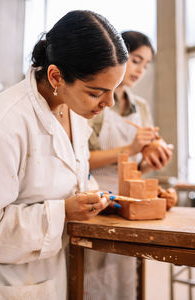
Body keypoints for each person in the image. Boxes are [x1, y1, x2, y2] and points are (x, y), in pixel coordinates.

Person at [0, 10, 128, 300]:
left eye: (113, 91)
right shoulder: (5, 123)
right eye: (96, 93)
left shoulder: (75, 110)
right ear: (56, 75)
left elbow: (73, 175)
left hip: (54, 275)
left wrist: (98, 198)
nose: (108, 103)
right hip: (9, 284)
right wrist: (63, 212)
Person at [85, 31, 172, 300]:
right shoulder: (94, 99)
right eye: (135, 60)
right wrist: (130, 149)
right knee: (93, 277)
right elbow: (79, 158)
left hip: (129, 203)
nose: (140, 70)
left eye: (146, 65)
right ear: (118, 57)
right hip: (96, 200)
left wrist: (147, 161)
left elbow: (135, 166)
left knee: (125, 280)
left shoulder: (140, 107)